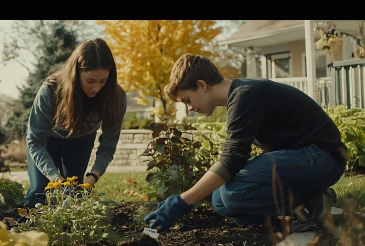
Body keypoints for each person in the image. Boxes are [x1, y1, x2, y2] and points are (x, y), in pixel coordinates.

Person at [144, 53, 347, 233]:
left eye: (188, 100)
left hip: (324, 157)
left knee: (233, 194)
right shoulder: (239, 96)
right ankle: (310, 197)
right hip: (302, 159)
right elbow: (234, 160)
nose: (189, 108)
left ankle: (313, 199)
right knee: (220, 201)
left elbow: (232, 159)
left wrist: (183, 201)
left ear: (201, 85)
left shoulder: (246, 95)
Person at [24, 38, 127, 208]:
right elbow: (35, 141)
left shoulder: (116, 97)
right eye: (90, 81)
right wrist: (56, 179)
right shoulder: (51, 91)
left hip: (81, 141)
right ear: (76, 73)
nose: (97, 88)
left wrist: (92, 176)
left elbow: (108, 145)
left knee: (72, 194)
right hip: (46, 141)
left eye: (103, 81)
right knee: (40, 192)